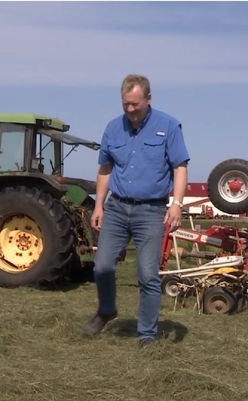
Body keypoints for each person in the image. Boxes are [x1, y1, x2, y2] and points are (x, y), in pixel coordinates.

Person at [83, 74, 189, 347]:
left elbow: (179, 167)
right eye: (125, 104)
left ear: (148, 99)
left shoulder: (168, 126)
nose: (130, 110)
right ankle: (106, 310)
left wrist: (176, 204)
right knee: (102, 266)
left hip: (151, 211)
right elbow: (105, 169)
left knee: (147, 274)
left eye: (135, 104)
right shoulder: (112, 128)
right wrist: (98, 205)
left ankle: (147, 334)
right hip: (117, 208)